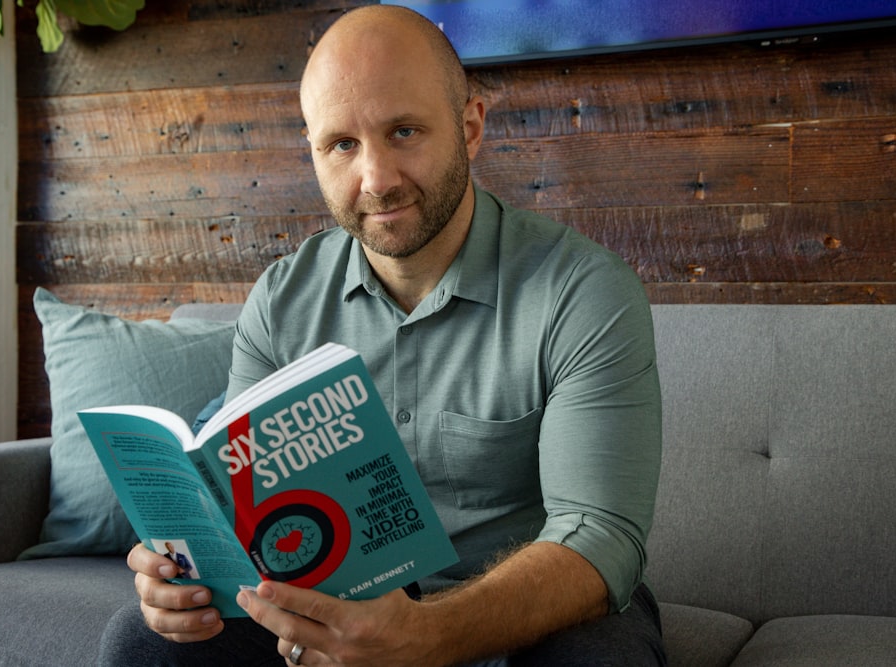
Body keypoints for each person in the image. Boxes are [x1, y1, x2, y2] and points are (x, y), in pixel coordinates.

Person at [98, 5, 665, 665]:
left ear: (470, 125)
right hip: (323, 607)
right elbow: (241, 512)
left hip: (528, 614)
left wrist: (423, 636)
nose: (377, 179)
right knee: (141, 643)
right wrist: (182, 571)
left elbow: (599, 538)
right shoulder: (282, 299)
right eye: (341, 144)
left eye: (403, 131)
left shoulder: (584, 291)